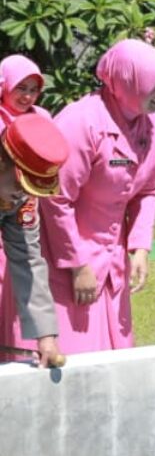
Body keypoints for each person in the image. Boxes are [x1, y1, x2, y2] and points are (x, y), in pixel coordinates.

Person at [40, 38, 155, 352]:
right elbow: (55, 197)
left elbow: (148, 191)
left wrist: (140, 247)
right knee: (75, 356)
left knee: (116, 359)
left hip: (111, 259)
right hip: (66, 253)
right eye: (154, 83)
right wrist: (77, 264)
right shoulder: (80, 122)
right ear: (128, 80)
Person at [0, 114, 68, 367]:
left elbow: (28, 261)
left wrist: (45, 335)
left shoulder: (21, 197)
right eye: (21, 184)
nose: (24, 195)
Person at [0, 54, 54, 353]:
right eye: (21, 87)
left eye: (34, 89)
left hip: (23, 201)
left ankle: (46, 339)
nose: (28, 95)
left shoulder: (41, 118)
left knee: (31, 262)